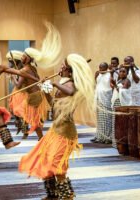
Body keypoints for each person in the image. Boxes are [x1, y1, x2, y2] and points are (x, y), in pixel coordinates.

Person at [19, 54, 95, 200]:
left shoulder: (72, 84)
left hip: (65, 132)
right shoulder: (65, 83)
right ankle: (52, 195)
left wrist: (53, 84)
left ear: (69, 69)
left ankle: (67, 197)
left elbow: (71, 91)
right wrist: (46, 92)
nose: (60, 67)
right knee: (45, 160)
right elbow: (54, 105)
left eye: (63, 65)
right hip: (55, 130)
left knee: (57, 166)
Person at [9, 22, 61, 141]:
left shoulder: (24, 69)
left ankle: (41, 138)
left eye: (24, 56)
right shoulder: (32, 68)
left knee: (32, 118)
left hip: (33, 97)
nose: (22, 57)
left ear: (28, 59)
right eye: (22, 56)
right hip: (37, 96)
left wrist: (12, 77)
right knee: (32, 118)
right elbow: (35, 81)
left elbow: (18, 86)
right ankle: (37, 136)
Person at [6, 50, 29, 137]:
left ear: (16, 62)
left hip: (23, 93)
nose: (9, 64)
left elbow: (18, 85)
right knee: (15, 112)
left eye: (11, 62)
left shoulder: (23, 71)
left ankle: (25, 131)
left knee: (22, 112)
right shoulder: (17, 70)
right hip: (16, 93)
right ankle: (19, 127)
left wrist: (13, 77)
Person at [91, 62, 113, 144]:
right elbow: (97, 85)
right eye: (99, 67)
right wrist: (95, 76)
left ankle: (107, 137)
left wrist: (111, 73)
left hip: (106, 99)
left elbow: (109, 87)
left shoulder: (109, 75)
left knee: (106, 119)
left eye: (102, 68)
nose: (100, 69)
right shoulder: (99, 75)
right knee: (99, 119)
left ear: (106, 68)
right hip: (99, 99)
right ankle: (99, 136)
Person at [110, 66, 132, 148]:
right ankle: (115, 143)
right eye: (120, 71)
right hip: (116, 102)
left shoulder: (127, 81)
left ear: (127, 73)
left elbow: (123, 93)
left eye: (124, 72)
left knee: (120, 123)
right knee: (115, 122)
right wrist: (114, 85)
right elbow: (115, 90)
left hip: (121, 103)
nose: (122, 73)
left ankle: (122, 143)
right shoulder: (119, 80)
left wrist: (115, 85)